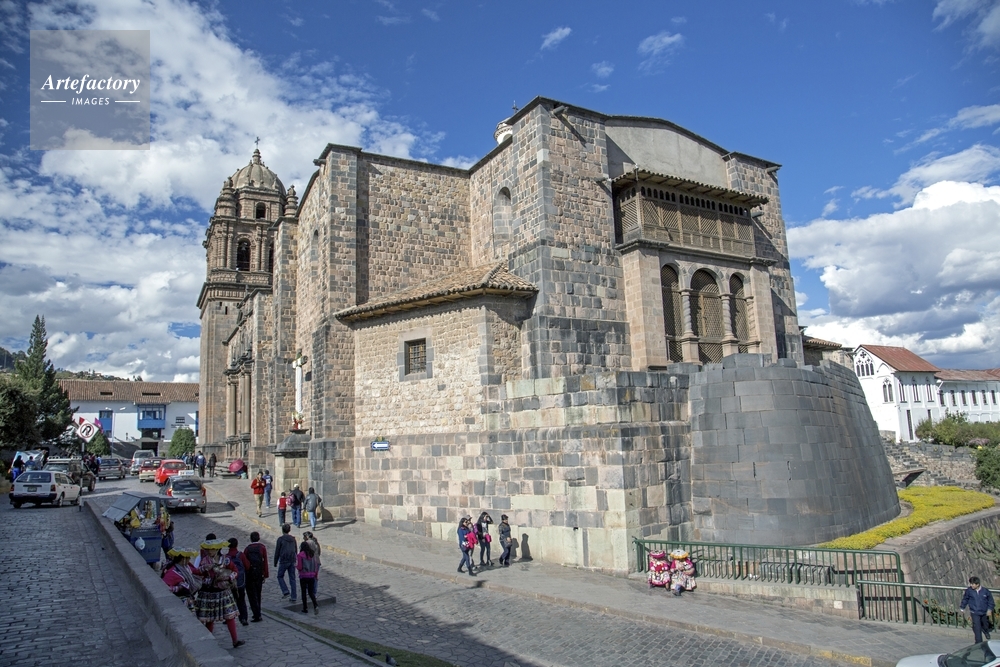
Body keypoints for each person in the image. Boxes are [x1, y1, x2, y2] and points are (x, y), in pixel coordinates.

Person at [194, 538, 245, 649]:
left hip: (223, 592)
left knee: (230, 616)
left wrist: (229, 577)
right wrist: (205, 570)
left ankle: (235, 640)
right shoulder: (205, 561)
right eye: (208, 549)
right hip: (209, 593)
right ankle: (208, 641)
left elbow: (235, 571)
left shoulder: (225, 560)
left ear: (217, 549)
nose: (210, 551)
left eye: (212, 549)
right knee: (209, 619)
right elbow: (198, 573)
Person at [161, 547, 201, 612]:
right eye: (188, 557)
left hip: (189, 599)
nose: (189, 559)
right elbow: (165, 587)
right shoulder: (172, 572)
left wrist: (205, 568)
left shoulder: (187, 567)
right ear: (183, 559)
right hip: (179, 601)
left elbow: (196, 571)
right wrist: (179, 587)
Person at [243, 531, 269, 623]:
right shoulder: (262, 548)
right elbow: (265, 561)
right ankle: (258, 612)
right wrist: (265, 574)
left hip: (250, 574)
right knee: (258, 593)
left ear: (251, 539)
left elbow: (245, 563)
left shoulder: (247, 549)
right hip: (259, 574)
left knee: (251, 595)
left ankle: (256, 613)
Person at [961, 576, 995, 643]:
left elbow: (990, 601)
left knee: (985, 624)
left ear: (977, 584)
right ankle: (978, 642)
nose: (971, 585)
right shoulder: (969, 591)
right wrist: (962, 607)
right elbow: (965, 599)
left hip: (984, 612)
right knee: (977, 627)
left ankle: (986, 631)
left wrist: (989, 609)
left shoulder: (985, 591)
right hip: (974, 612)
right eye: (971, 584)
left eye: (973, 584)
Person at [226, 538, 250, 626]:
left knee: (229, 601)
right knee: (241, 600)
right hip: (240, 582)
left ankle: (229, 618)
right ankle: (243, 618)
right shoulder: (241, 555)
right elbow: (247, 566)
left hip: (230, 583)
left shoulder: (226, 557)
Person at [274, 523, 298, 602]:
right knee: (292, 579)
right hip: (292, 560)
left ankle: (285, 591)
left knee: (280, 576)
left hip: (284, 560)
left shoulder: (280, 539)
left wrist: (275, 562)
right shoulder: (293, 539)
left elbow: (277, 551)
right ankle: (294, 597)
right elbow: (295, 550)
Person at [296, 542, 320, 614]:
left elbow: (300, 567)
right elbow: (315, 566)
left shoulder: (300, 555)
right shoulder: (312, 555)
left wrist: (296, 567)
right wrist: (315, 575)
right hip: (311, 576)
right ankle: (315, 605)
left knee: (303, 592)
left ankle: (305, 608)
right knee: (311, 592)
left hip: (303, 576)